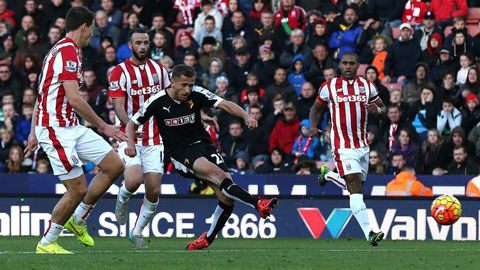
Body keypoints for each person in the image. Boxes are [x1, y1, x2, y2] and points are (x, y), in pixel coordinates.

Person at [124, 64, 278, 250]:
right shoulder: (157, 101)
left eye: (191, 85)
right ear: (172, 82)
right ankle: (258, 204)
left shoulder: (197, 93)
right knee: (218, 175)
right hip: (181, 153)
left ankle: (207, 239)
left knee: (227, 194)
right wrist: (131, 144)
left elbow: (224, 104)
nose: (188, 90)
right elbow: (131, 124)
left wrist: (246, 117)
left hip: (204, 144)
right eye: (184, 85)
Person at [25, 6, 127, 255]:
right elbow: (75, 99)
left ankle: (78, 219)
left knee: (114, 165)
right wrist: (104, 127)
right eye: (92, 29)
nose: (92, 34)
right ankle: (47, 242)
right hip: (56, 129)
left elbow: (41, 94)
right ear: (84, 27)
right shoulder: (68, 52)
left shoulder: (57, 51)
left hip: (70, 126)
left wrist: (31, 132)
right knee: (78, 189)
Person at [309, 51, 387, 246]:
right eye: (345, 63)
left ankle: (327, 175)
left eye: (352, 63)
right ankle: (370, 233)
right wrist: (312, 126)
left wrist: (378, 110)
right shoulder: (329, 87)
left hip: (362, 145)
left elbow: (383, 109)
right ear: (339, 65)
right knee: (354, 186)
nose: (348, 66)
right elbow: (316, 109)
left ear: (358, 65)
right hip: (341, 145)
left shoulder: (368, 86)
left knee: (356, 187)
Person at [108, 28, 171, 248]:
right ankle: (122, 199)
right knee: (134, 181)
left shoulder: (160, 70)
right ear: (130, 45)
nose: (143, 47)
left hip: (155, 138)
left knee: (153, 190)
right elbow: (118, 107)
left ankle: (137, 233)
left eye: (146, 42)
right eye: (138, 43)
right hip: (128, 134)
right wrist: (130, 132)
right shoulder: (120, 72)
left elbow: (170, 100)